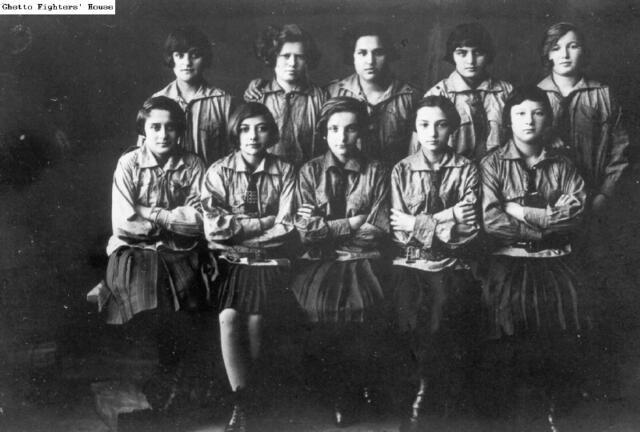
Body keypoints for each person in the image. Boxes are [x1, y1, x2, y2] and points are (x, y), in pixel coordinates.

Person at [480, 86, 587, 430]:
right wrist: (544, 222)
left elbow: (574, 216)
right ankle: (510, 401)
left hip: (555, 256)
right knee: (506, 304)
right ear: (508, 120)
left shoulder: (563, 165)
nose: (529, 121)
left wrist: (519, 210)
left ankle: (554, 398)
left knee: (565, 302)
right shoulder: (492, 164)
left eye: (537, 113)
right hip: (507, 256)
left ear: (548, 119)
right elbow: (491, 220)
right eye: (521, 113)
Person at [99, 96, 208, 410]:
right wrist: (173, 221)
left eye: (170, 128)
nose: (163, 134)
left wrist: (152, 214)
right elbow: (124, 225)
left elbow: (199, 221)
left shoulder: (193, 164)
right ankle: (155, 374)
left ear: (179, 132)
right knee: (146, 292)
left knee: (190, 292)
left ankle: (174, 375)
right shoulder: (129, 163)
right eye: (155, 127)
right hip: (133, 250)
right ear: (144, 129)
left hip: (180, 250)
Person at [291, 97, 390, 426]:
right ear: (324, 133)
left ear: (361, 132)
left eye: (350, 130)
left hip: (364, 259)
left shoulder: (376, 171)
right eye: (334, 129)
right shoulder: (309, 172)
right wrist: (350, 223)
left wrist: (329, 229)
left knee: (360, 307)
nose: (342, 138)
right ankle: (327, 391)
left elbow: (376, 230)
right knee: (317, 306)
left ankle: (351, 392)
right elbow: (306, 233)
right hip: (318, 261)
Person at [201, 102, 296, 432]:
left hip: (270, 262)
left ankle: (255, 401)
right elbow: (214, 229)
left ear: (271, 132)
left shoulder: (285, 171)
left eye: (260, 128)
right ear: (235, 132)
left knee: (256, 319)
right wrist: (263, 222)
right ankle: (240, 403)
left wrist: (239, 230)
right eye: (244, 128)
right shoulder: (218, 171)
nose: (253, 136)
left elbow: (287, 227)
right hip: (231, 263)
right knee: (229, 316)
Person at [390, 96, 480, 431]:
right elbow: (399, 233)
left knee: (444, 316)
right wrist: (449, 216)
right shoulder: (401, 170)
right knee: (410, 317)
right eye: (425, 125)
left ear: (452, 129)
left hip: (451, 264)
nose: (433, 133)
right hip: (409, 263)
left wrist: (418, 223)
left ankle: (432, 395)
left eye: (441, 124)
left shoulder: (467, 169)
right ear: (415, 128)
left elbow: (469, 231)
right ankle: (417, 390)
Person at [327, 22, 421, 166]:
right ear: (352, 56)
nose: (370, 61)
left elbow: (416, 152)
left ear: (388, 55)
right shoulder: (333, 92)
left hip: (396, 180)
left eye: (378, 53)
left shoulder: (410, 96)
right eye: (362, 53)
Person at [141, 26, 234, 166]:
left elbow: (234, 152)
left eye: (195, 55)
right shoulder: (156, 101)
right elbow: (143, 152)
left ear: (205, 58)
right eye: (179, 55)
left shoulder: (223, 101)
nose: (187, 62)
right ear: (171, 58)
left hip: (211, 184)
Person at [420, 22, 513, 160]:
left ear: (488, 55)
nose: (470, 61)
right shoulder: (437, 95)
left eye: (478, 53)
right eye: (462, 53)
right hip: (454, 175)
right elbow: (422, 153)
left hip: (499, 173)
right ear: (452, 55)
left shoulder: (506, 92)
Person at [244, 24, 327, 167]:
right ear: (273, 57)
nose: (292, 63)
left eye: (299, 56)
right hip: (268, 178)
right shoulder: (257, 96)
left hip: (308, 179)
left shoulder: (320, 97)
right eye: (286, 56)